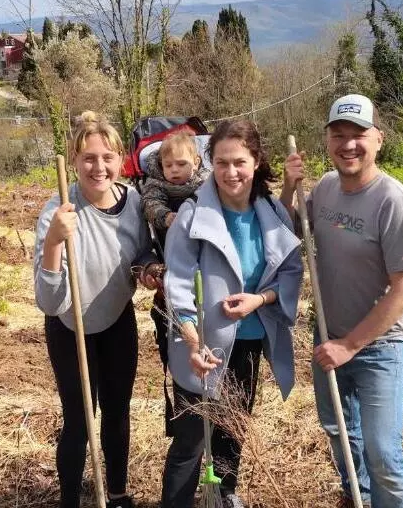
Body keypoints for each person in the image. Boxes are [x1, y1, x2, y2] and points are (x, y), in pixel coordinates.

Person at [281, 94, 403, 508]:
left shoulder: (392, 200)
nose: (349, 145)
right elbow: (288, 229)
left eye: (358, 135)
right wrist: (288, 186)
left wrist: (350, 345)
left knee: (383, 452)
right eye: (338, 135)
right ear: (327, 141)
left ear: (378, 139)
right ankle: (357, 498)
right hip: (329, 336)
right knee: (342, 436)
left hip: (379, 347)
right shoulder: (325, 188)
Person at [161, 119, 304, 508]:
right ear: (211, 163)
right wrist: (192, 342)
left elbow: (291, 271)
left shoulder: (271, 211)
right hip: (202, 346)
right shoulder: (193, 215)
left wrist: (261, 300)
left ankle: (223, 497)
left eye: (239, 162)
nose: (230, 172)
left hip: (250, 341)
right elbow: (178, 284)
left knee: (232, 431)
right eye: (221, 162)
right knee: (191, 440)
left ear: (255, 161)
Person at [34, 111, 160, 508]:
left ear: (120, 159)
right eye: (88, 158)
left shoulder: (133, 201)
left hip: (117, 320)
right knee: (79, 420)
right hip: (70, 327)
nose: (98, 167)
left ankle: (117, 494)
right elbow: (49, 302)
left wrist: (147, 269)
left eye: (107, 157)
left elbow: (142, 252)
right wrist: (54, 241)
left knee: (117, 412)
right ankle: (70, 500)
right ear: (74, 160)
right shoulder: (59, 211)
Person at [140, 130, 211, 436]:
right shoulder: (156, 185)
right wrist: (168, 217)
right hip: (170, 259)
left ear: (196, 162)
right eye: (169, 165)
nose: (174, 171)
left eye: (181, 164)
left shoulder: (206, 183)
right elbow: (151, 206)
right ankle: (185, 421)